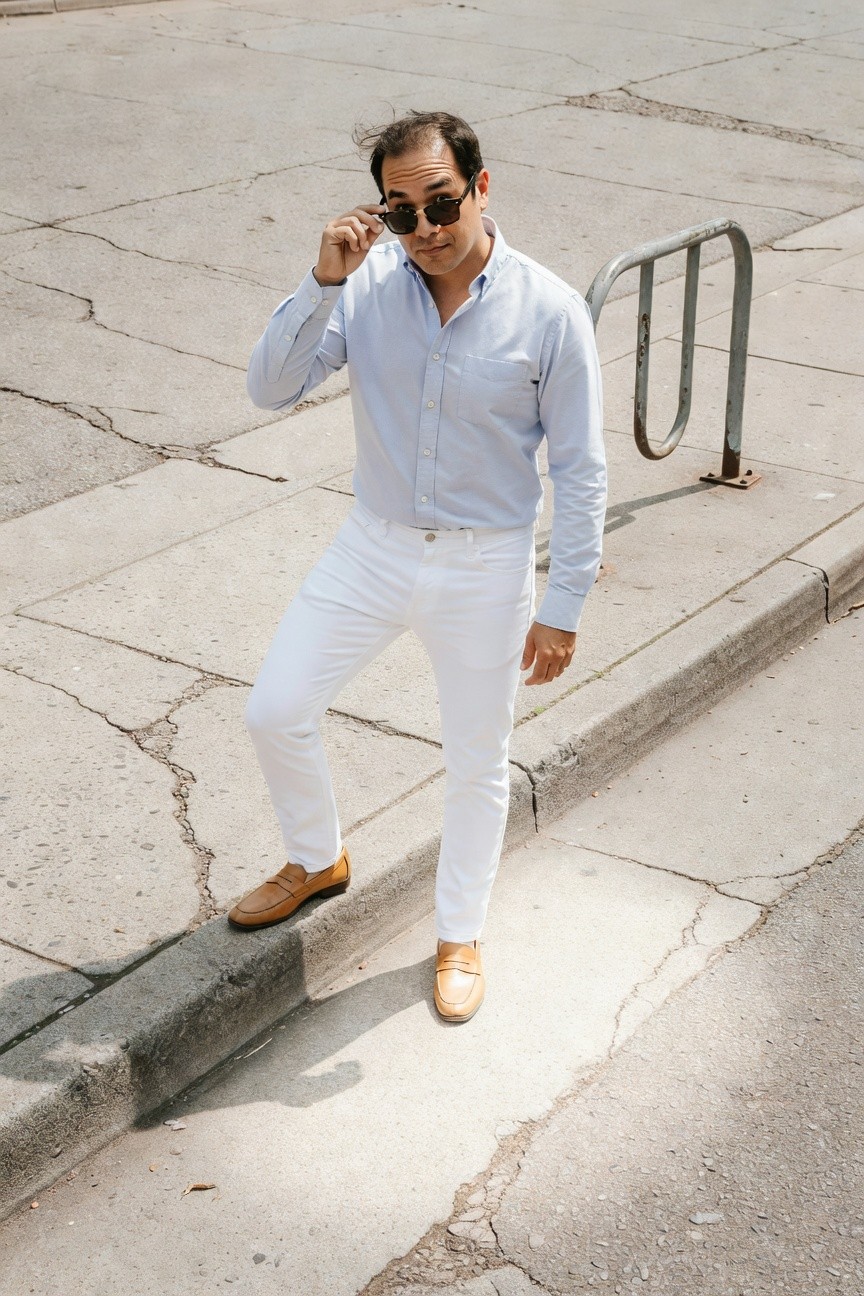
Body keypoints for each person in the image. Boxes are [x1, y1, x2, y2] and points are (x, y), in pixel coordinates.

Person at [230, 111, 606, 1023]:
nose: (426, 229)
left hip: (486, 564)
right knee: (275, 708)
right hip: (375, 544)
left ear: (481, 186)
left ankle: (457, 932)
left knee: (477, 759)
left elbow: (583, 470)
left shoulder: (548, 309)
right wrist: (324, 279)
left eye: (441, 203)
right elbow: (270, 387)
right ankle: (317, 858)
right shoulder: (364, 289)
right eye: (402, 212)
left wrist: (562, 605)